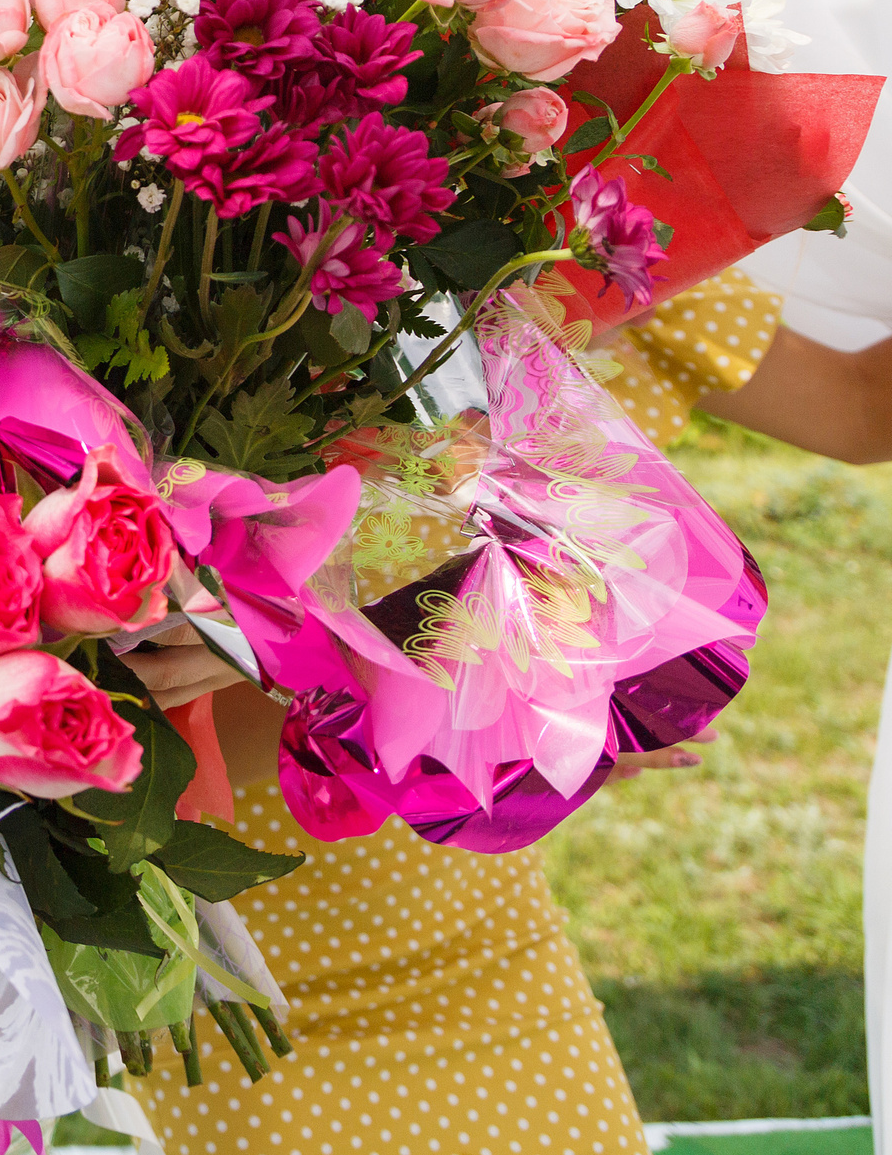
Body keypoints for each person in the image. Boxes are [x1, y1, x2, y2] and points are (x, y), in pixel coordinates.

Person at [121, 266, 892, 1154]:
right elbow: (138, 700)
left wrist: (549, 687)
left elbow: (860, 406)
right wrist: (414, 678)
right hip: (246, 930)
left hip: (467, 910)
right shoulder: (175, 262)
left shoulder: (589, 241)